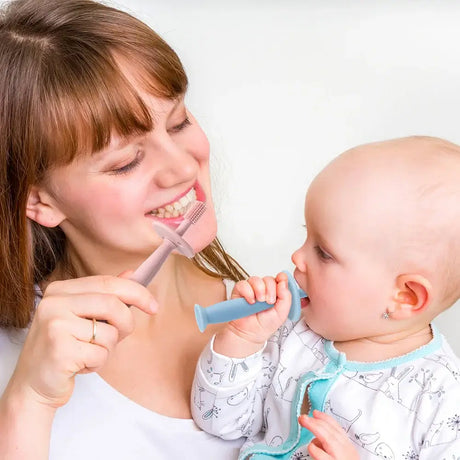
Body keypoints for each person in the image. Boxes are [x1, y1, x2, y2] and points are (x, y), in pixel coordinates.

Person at [0, 0, 249, 458]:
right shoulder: (14, 363)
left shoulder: (287, 318)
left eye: (178, 123)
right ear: (40, 201)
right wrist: (28, 401)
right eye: (125, 162)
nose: (179, 168)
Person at [191, 136, 460, 459]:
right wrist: (242, 340)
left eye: (324, 253)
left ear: (404, 296)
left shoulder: (441, 401)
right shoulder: (291, 335)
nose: (297, 258)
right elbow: (218, 422)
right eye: (307, 235)